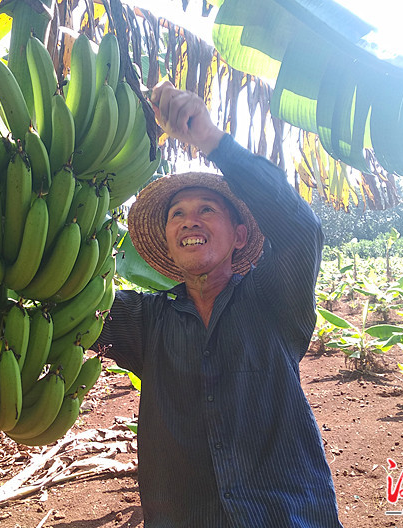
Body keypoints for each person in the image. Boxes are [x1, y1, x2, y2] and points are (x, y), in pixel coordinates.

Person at [93, 82, 343, 527]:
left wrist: (212, 141)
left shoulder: (273, 303)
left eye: (207, 209)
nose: (190, 219)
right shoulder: (147, 322)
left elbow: (300, 231)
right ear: (169, 247)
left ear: (240, 236)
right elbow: (70, 305)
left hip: (285, 516)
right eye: (177, 214)